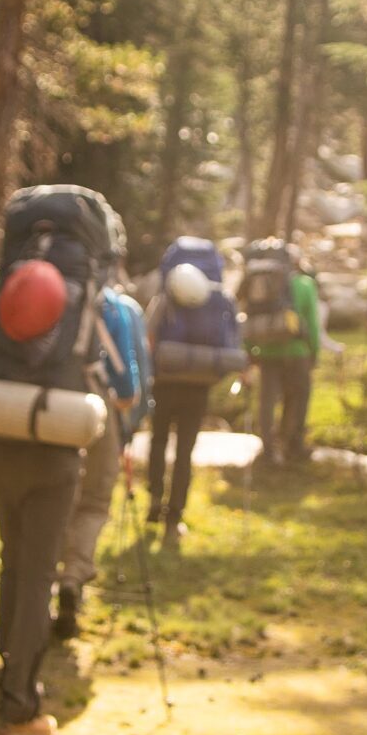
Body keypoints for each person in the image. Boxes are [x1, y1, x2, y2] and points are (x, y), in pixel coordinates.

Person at [0, 186, 126, 735]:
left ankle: (6, 666)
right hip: (54, 448)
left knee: (12, 561)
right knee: (37, 578)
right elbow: (111, 375)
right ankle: (20, 705)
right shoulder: (88, 299)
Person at [54, 278, 151, 636]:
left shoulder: (26, 283)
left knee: (52, 500)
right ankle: (73, 576)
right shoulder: (111, 305)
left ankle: (40, 584)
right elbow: (128, 385)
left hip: (37, 408)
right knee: (93, 502)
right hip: (95, 412)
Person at [146, 236, 244, 553]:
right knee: (185, 450)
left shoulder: (166, 296)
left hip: (165, 381)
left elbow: (150, 335)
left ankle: (153, 505)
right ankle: (175, 517)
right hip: (199, 385)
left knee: (159, 442)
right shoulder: (219, 299)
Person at [244, 238, 324, 468]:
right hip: (297, 351)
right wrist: (314, 353)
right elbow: (312, 322)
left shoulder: (256, 283)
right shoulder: (305, 284)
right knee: (298, 398)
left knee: (267, 401)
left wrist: (249, 352)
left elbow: (249, 316)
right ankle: (293, 445)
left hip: (267, 352)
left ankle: (268, 449)